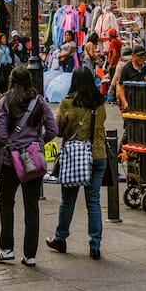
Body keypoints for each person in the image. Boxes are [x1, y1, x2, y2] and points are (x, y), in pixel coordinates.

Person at [0, 65, 51, 266]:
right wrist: (38, 142)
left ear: (11, 80)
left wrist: (9, 145)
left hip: (11, 160)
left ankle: (6, 248)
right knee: (32, 206)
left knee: (6, 203)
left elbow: (0, 134)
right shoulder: (39, 101)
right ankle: (30, 254)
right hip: (33, 159)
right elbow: (53, 128)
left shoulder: (4, 101)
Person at [51, 67, 108, 259]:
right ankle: (95, 244)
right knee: (93, 201)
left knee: (68, 200)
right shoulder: (99, 102)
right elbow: (101, 124)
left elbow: (58, 130)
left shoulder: (68, 103)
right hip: (98, 154)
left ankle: (60, 238)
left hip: (75, 156)